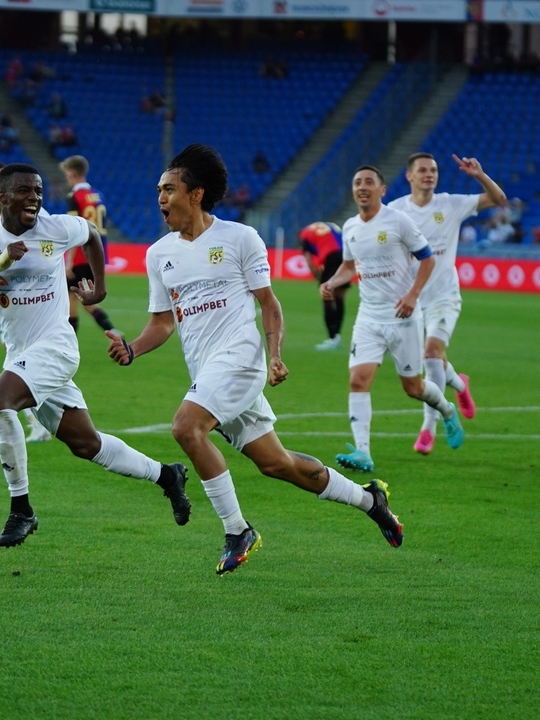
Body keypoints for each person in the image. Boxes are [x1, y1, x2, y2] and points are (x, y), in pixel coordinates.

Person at [106, 145, 406, 576]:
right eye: (159, 190)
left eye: (169, 189)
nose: (161, 198)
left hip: (241, 359)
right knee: (276, 464)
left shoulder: (239, 238)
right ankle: (369, 499)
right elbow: (163, 324)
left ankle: (237, 530)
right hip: (207, 369)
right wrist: (133, 347)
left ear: (196, 194)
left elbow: (269, 303)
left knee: (186, 428)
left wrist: (275, 355)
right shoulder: (158, 254)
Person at [0, 163, 191, 548]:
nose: (34, 198)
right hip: (21, 355)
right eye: (25, 191)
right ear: (2, 196)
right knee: (87, 444)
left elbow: (90, 233)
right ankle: (168, 476)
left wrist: (99, 288)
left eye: (39, 191)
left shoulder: (55, 227)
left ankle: (21, 509)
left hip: (57, 347)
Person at [324, 165, 465, 473]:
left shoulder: (398, 221)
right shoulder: (350, 227)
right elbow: (349, 266)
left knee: (413, 388)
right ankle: (363, 452)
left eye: (369, 182)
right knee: (358, 380)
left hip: (403, 317)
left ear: (382, 190)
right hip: (368, 318)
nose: (362, 187)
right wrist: (332, 282)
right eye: (357, 182)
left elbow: (428, 258)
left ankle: (446, 410)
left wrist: (413, 295)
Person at [388, 152, 503, 454]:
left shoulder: (450, 204)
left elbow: (498, 199)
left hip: (444, 296)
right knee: (434, 359)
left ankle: (429, 428)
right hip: (412, 300)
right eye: (423, 170)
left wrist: (479, 175)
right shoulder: (395, 210)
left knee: (430, 354)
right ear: (409, 176)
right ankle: (460, 384)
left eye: (434, 170)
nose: (429, 174)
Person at [0, 160, 52, 443]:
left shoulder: (37, 216)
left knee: (21, 360)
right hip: (4, 304)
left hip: (37, 303)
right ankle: (42, 420)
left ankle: (38, 422)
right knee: (19, 357)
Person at [59, 155, 118, 337]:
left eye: (66, 174)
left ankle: (70, 343)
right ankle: (110, 329)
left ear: (72, 173)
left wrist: (69, 262)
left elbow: (74, 231)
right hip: (96, 253)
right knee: (78, 299)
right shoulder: (98, 195)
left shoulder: (74, 197)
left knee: (75, 300)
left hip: (80, 256)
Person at [297, 221, 348, 350]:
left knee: (327, 297)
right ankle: (336, 337)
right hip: (346, 254)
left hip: (331, 256)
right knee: (340, 296)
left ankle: (332, 339)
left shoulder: (304, 234)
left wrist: (319, 278)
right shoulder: (329, 225)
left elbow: (309, 260)